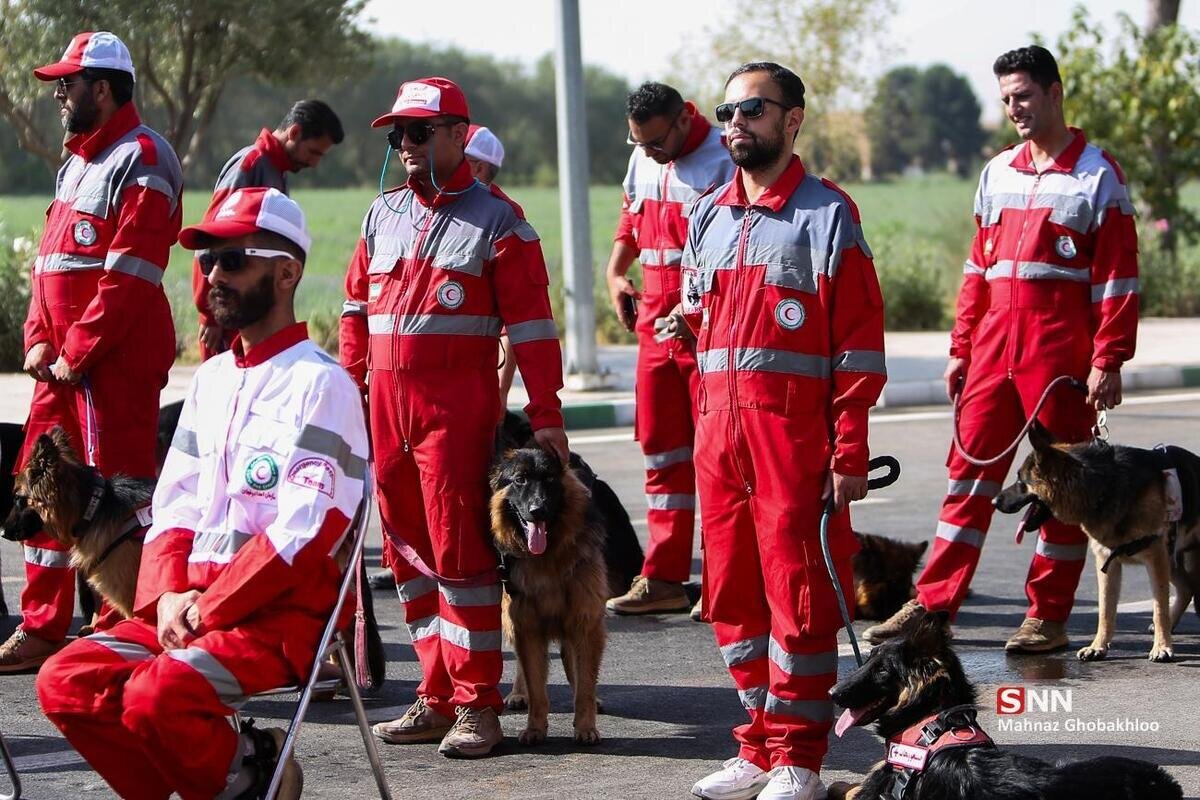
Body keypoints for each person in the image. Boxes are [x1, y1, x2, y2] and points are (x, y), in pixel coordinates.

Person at [36, 187, 369, 800]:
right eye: (208, 260)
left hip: (277, 619)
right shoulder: (211, 380)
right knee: (66, 680)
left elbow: (303, 534)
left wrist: (206, 608)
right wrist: (165, 597)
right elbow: (174, 506)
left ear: (287, 271)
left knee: (154, 696)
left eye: (234, 260)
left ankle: (246, 775)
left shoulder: (323, 386)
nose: (214, 274)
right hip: (185, 610)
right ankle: (235, 775)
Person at [863, 45, 1138, 654]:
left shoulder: (1098, 175)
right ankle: (931, 608)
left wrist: (1107, 358)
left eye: (1024, 95)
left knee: (1062, 488)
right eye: (1007, 98)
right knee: (967, 481)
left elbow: (1118, 279)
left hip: (1060, 356)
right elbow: (976, 270)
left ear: (1054, 92)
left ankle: (1048, 616)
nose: (1014, 107)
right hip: (992, 351)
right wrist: (961, 347)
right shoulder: (998, 172)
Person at [339, 77, 567, 759]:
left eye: (417, 131)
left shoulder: (500, 221)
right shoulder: (381, 216)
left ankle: (478, 707)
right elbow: (354, 314)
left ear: (456, 134)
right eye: (396, 134)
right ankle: (435, 696)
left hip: (454, 413)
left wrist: (548, 412)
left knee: (460, 561)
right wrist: (349, 396)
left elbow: (532, 328)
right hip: (385, 413)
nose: (403, 145)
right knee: (408, 556)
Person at [683, 62, 886, 800]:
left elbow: (858, 344)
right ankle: (759, 745)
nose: (736, 123)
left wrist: (850, 446)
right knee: (732, 597)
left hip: (792, 441)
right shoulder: (706, 215)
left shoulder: (827, 215)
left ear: (792, 119)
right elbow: (695, 333)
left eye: (754, 110)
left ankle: (800, 758)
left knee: (797, 597)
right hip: (718, 439)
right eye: (727, 111)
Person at [0, 31, 182, 674]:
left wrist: (76, 351)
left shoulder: (144, 157)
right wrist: (37, 338)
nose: (57, 94)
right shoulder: (76, 162)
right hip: (62, 367)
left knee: (115, 495)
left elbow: (130, 272)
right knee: (41, 483)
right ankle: (44, 625)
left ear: (102, 89)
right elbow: (50, 265)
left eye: (68, 84)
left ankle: (120, 630)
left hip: (114, 364)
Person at [604, 82, 735, 619]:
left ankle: (725, 582)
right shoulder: (643, 158)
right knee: (662, 456)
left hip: (709, 329)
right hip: (654, 326)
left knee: (717, 460)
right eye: (640, 144)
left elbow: (738, 245)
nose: (651, 153)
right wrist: (615, 271)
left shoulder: (727, 160)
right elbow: (632, 218)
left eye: (657, 141)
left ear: (686, 118)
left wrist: (698, 311)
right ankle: (663, 578)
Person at [193, 99, 344, 360]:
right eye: (314, 152)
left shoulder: (276, 171)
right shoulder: (250, 164)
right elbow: (210, 238)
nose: (315, 163)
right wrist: (209, 314)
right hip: (227, 315)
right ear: (295, 132)